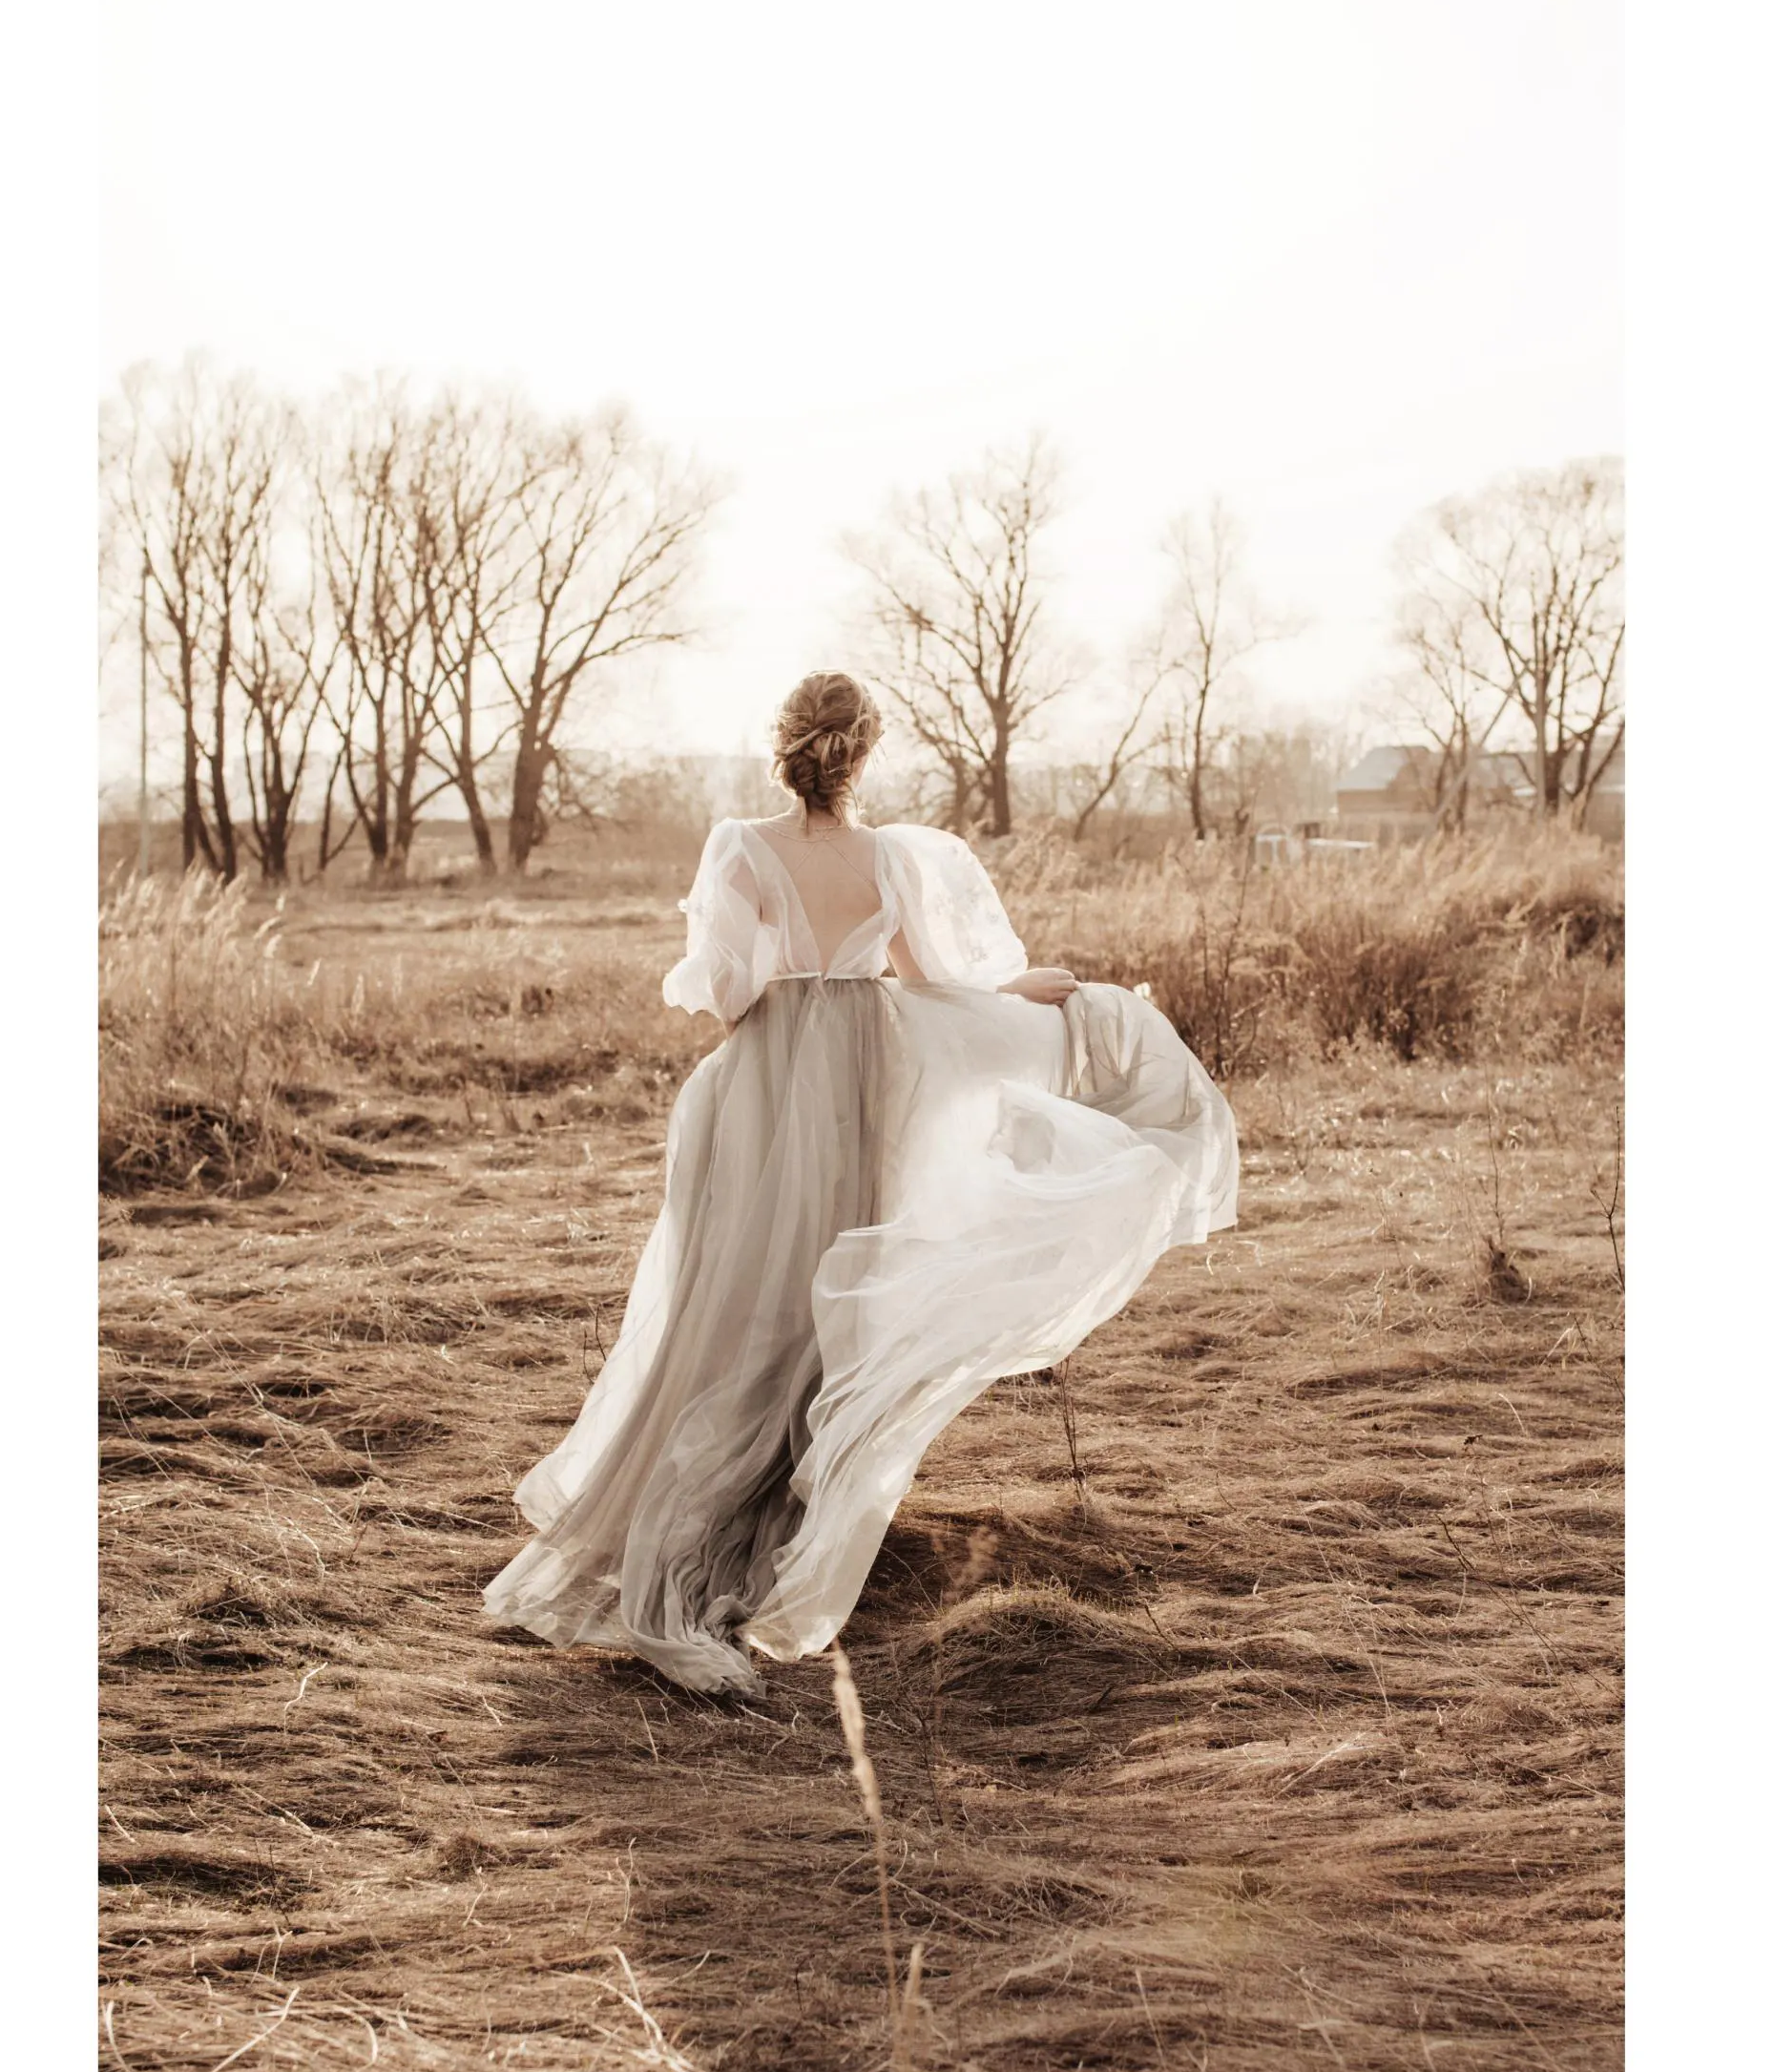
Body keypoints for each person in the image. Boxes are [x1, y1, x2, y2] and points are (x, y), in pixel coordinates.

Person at [484, 670, 1239, 1696]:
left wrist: (744, 945)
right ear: (863, 753)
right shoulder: (886, 855)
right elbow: (930, 983)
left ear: (786, 745)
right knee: (820, 1292)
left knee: (736, 1296)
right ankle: (773, 1517)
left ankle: (704, 1525)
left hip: (770, 1081)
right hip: (860, 1078)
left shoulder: (740, 845)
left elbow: (725, 995)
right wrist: (1020, 993)